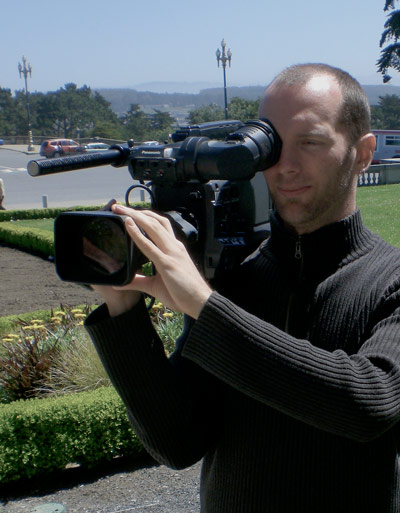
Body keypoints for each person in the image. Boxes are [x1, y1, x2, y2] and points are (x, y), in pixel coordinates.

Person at [85, 63, 400, 513]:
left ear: (363, 152)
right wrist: (123, 312)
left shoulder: (392, 279)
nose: (285, 167)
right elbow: (177, 443)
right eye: (272, 146)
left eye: (309, 142)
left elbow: (368, 403)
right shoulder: (238, 279)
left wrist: (205, 306)